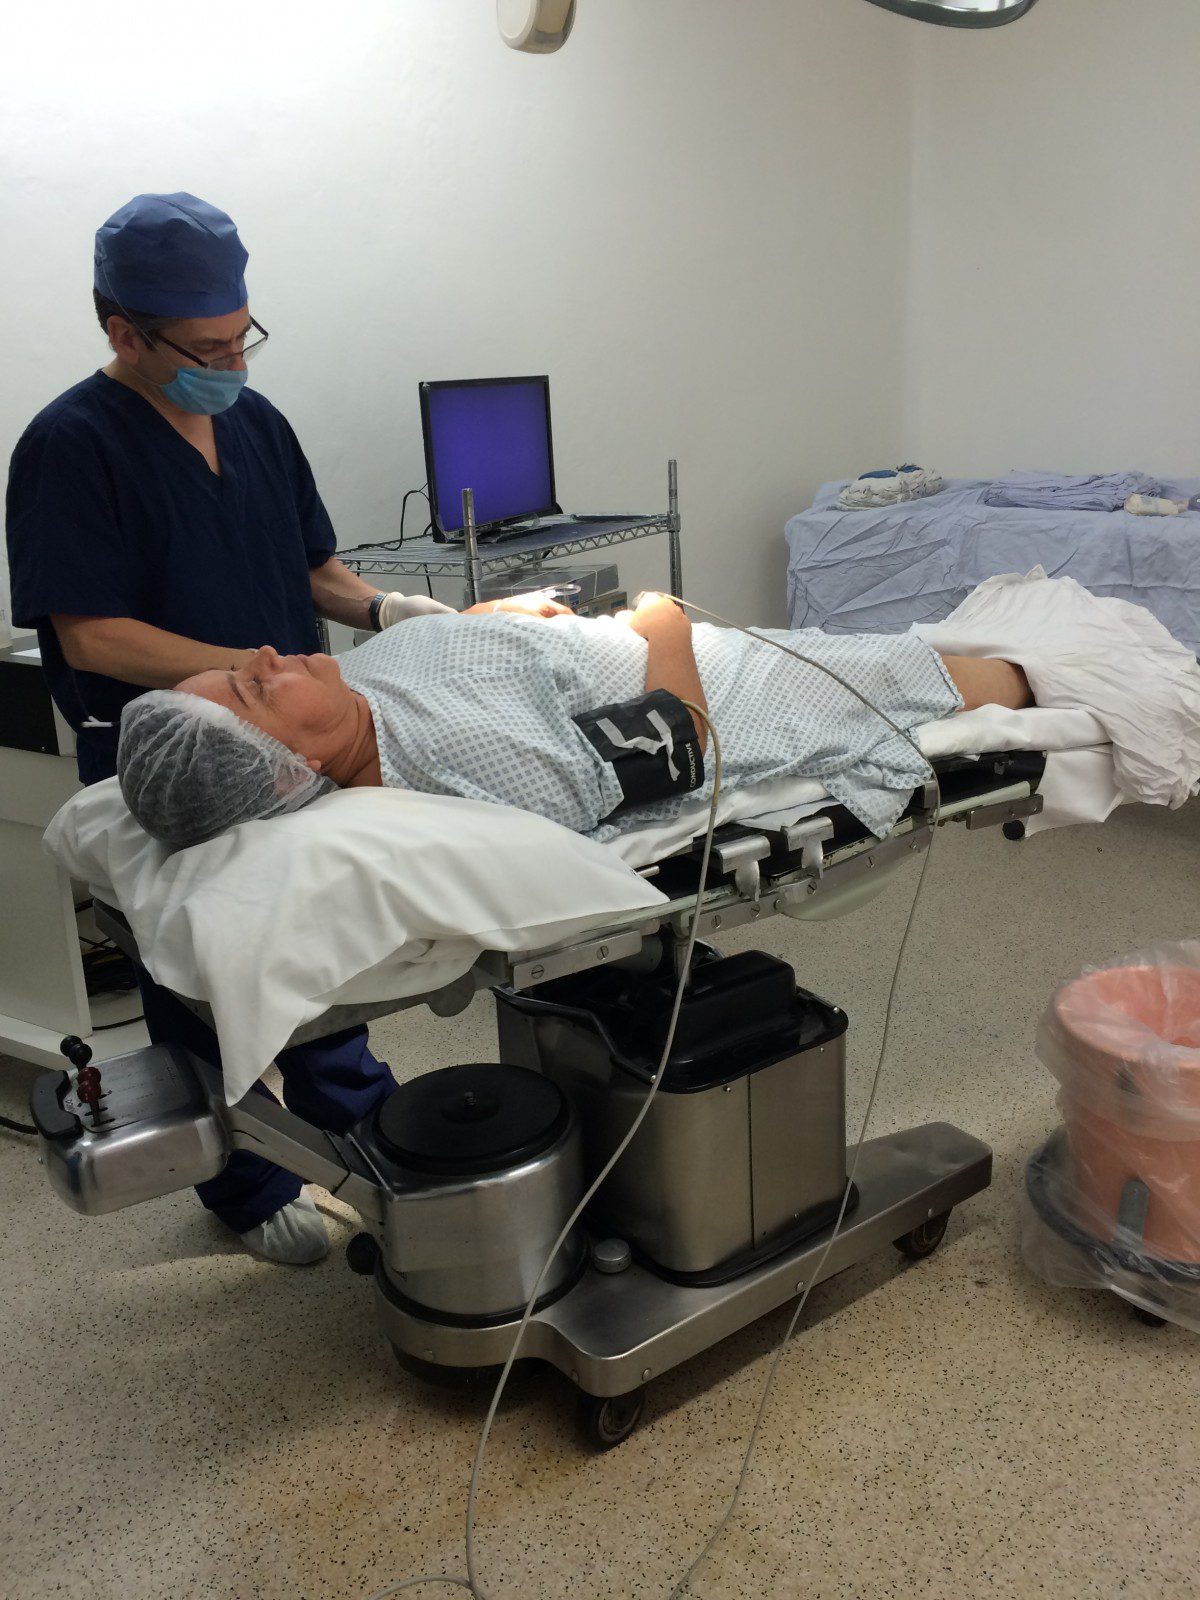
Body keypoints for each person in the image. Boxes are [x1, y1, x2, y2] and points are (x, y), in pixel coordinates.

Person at [4, 192, 566, 1266]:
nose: (233, 364)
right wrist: (244, 675)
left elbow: (316, 570)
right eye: (207, 348)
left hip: (296, 748)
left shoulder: (256, 425)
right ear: (124, 331)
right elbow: (92, 634)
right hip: (173, 749)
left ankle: (360, 1119)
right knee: (201, 975)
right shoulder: (70, 446)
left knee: (316, 939)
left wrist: (386, 611)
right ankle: (246, 1180)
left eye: (243, 337)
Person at [116, 590, 1034, 854]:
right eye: (254, 691)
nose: (264, 657)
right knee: (971, 674)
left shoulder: (350, 693)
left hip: (617, 642)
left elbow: (437, 656)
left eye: (236, 671)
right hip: (740, 693)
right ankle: (1061, 689)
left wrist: (498, 618)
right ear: (297, 766)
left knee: (926, 639)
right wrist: (663, 624)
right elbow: (676, 747)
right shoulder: (458, 758)